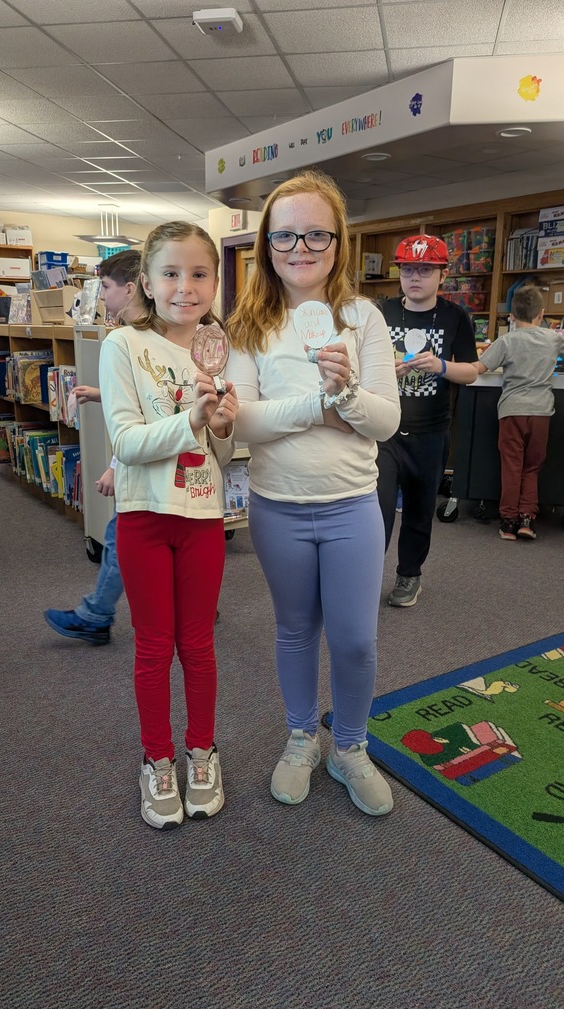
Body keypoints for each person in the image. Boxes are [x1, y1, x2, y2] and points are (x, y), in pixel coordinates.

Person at [225, 169, 400, 817]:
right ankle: (301, 736)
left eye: (315, 235)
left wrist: (348, 395)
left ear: (338, 241)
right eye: (284, 235)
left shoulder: (361, 318)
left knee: (355, 640)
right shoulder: (248, 323)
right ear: (266, 242)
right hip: (278, 508)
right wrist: (319, 406)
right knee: (296, 629)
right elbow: (243, 420)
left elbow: (386, 422)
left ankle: (348, 747)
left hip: (353, 504)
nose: (299, 248)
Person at [99, 222, 238, 830]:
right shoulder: (122, 346)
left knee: (199, 645)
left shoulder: (218, 348)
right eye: (171, 274)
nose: (186, 286)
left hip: (204, 514)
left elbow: (221, 455)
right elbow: (127, 443)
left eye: (200, 274)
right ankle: (157, 760)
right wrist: (191, 417)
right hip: (144, 518)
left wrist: (224, 425)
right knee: (155, 647)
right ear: (147, 284)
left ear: (215, 282)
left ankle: (201, 752)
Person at [44, 249, 142, 645]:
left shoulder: (128, 339)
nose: (100, 298)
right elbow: (143, 396)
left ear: (132, 288)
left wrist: (117, 466)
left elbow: (147, 413)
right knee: (127, 534)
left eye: (104, 288)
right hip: (152, 462)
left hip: (143, 463)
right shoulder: (136, 337)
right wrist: (105, 393)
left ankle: (95, 615)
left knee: (123, 535)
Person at [376, 235, 478, 606]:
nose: (414, 277)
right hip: (384, 431)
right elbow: (360, 367)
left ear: (442, 274)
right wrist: (390, 371)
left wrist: (441, 366)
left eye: (424, 270)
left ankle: (409, 576)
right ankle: (367, 575)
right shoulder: (381, 312)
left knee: (419, 512)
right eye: (407, 269)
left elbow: (471, 371)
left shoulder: (454, 317)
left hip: (432, 433)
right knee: (377, 511)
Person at [472, 285, 564, 541]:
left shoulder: (506, 340)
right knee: (532, 467)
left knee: (511, 467)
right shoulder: (552, 338)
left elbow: (480, 367)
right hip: (541, 412)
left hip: (511, 411)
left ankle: (508, 521)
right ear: (542, 314)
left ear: (512, 316)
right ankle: (527, 519)